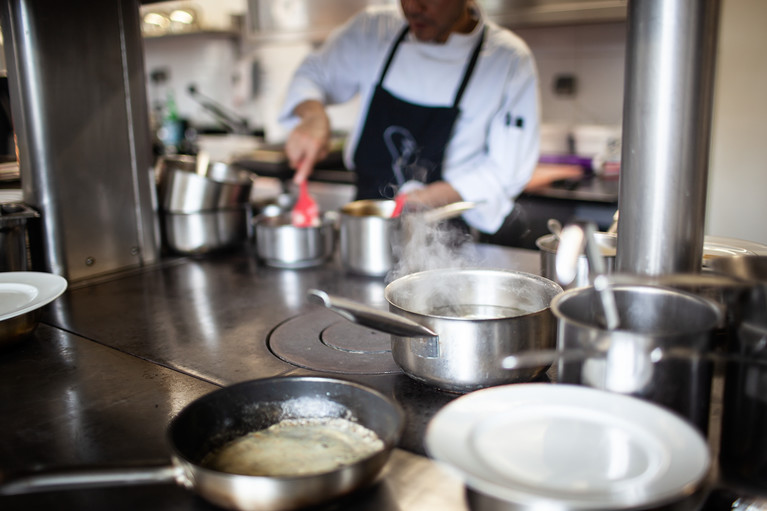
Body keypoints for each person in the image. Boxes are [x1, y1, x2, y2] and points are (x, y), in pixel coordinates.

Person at [279, 0, 540, 236]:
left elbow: (506, 171)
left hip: (446, 238)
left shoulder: (508, 60)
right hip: (364, 229)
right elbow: (313, 73)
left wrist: (430, 198)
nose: (414, 7)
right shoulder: (375, 28)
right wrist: (312, 114)